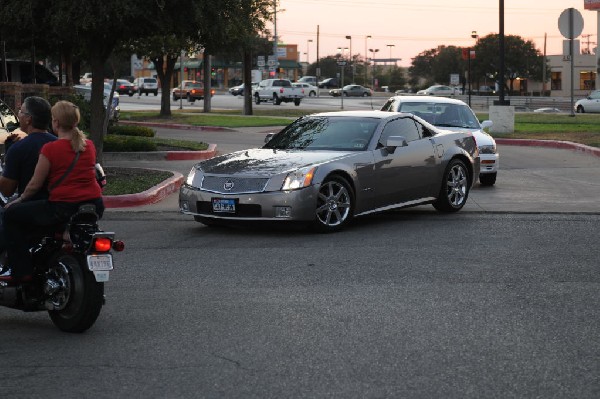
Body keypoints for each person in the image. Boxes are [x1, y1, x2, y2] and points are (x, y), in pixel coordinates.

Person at [1, 100, 104, 283]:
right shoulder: (88, 145)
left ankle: (21, 271)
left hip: (62, 207)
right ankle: (66, 233)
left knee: (10, 214)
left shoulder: (50, 149)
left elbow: (33, 184)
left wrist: (20, 200)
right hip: (95, 204)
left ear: (55, 122)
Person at [0, 97, 56, 257]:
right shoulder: (58, 143)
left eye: (20, 111)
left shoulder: (19, 148)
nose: (17, 114)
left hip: (32, 206)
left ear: (28, 119)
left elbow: (7, 190)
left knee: (7, 213)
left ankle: (15, 266)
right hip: (59, 205)